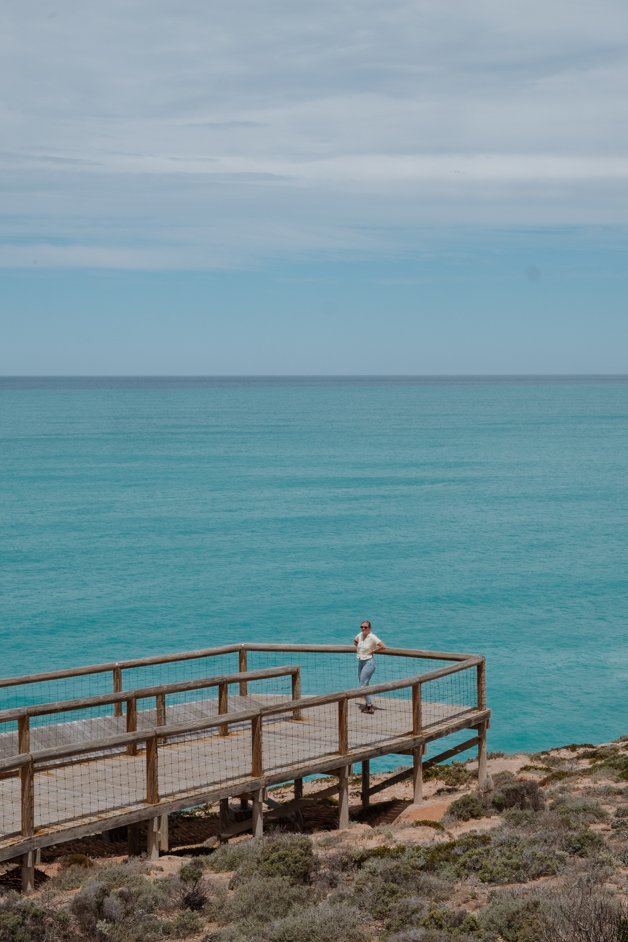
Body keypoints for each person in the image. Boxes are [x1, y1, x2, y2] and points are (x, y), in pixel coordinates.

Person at [354, 620, 385, 714]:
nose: (363, 628)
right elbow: (355, 641)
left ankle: (369, 706)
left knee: (362, 685)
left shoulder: (372, 637)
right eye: (362, 627)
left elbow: (383, 646)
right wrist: (359, 650)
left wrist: (373, 651)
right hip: (361, 661)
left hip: (369, 663)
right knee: (364, 684)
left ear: (369, 628)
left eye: (365, 627)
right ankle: (368, 705)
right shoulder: (360, 635)